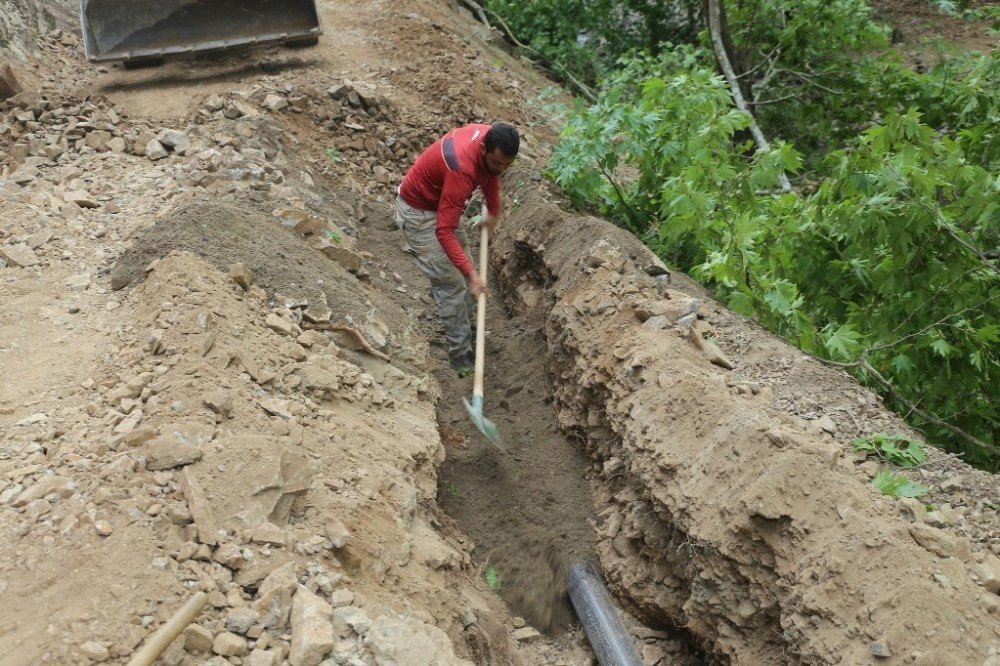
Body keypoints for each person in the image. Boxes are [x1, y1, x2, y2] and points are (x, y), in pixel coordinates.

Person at [395, 122, 520, 376]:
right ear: (484, 147)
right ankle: (461, 357)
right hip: (419, 213)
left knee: (465, 273)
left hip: (438, 205)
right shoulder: (461, 168)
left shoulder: (491, 140)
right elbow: (443, 230)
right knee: (453, 283)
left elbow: (490, 176)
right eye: (497, 162)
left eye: (507, 165)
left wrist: (493, 211)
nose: (501, 169)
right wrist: (473, 276)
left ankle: (467, 328)